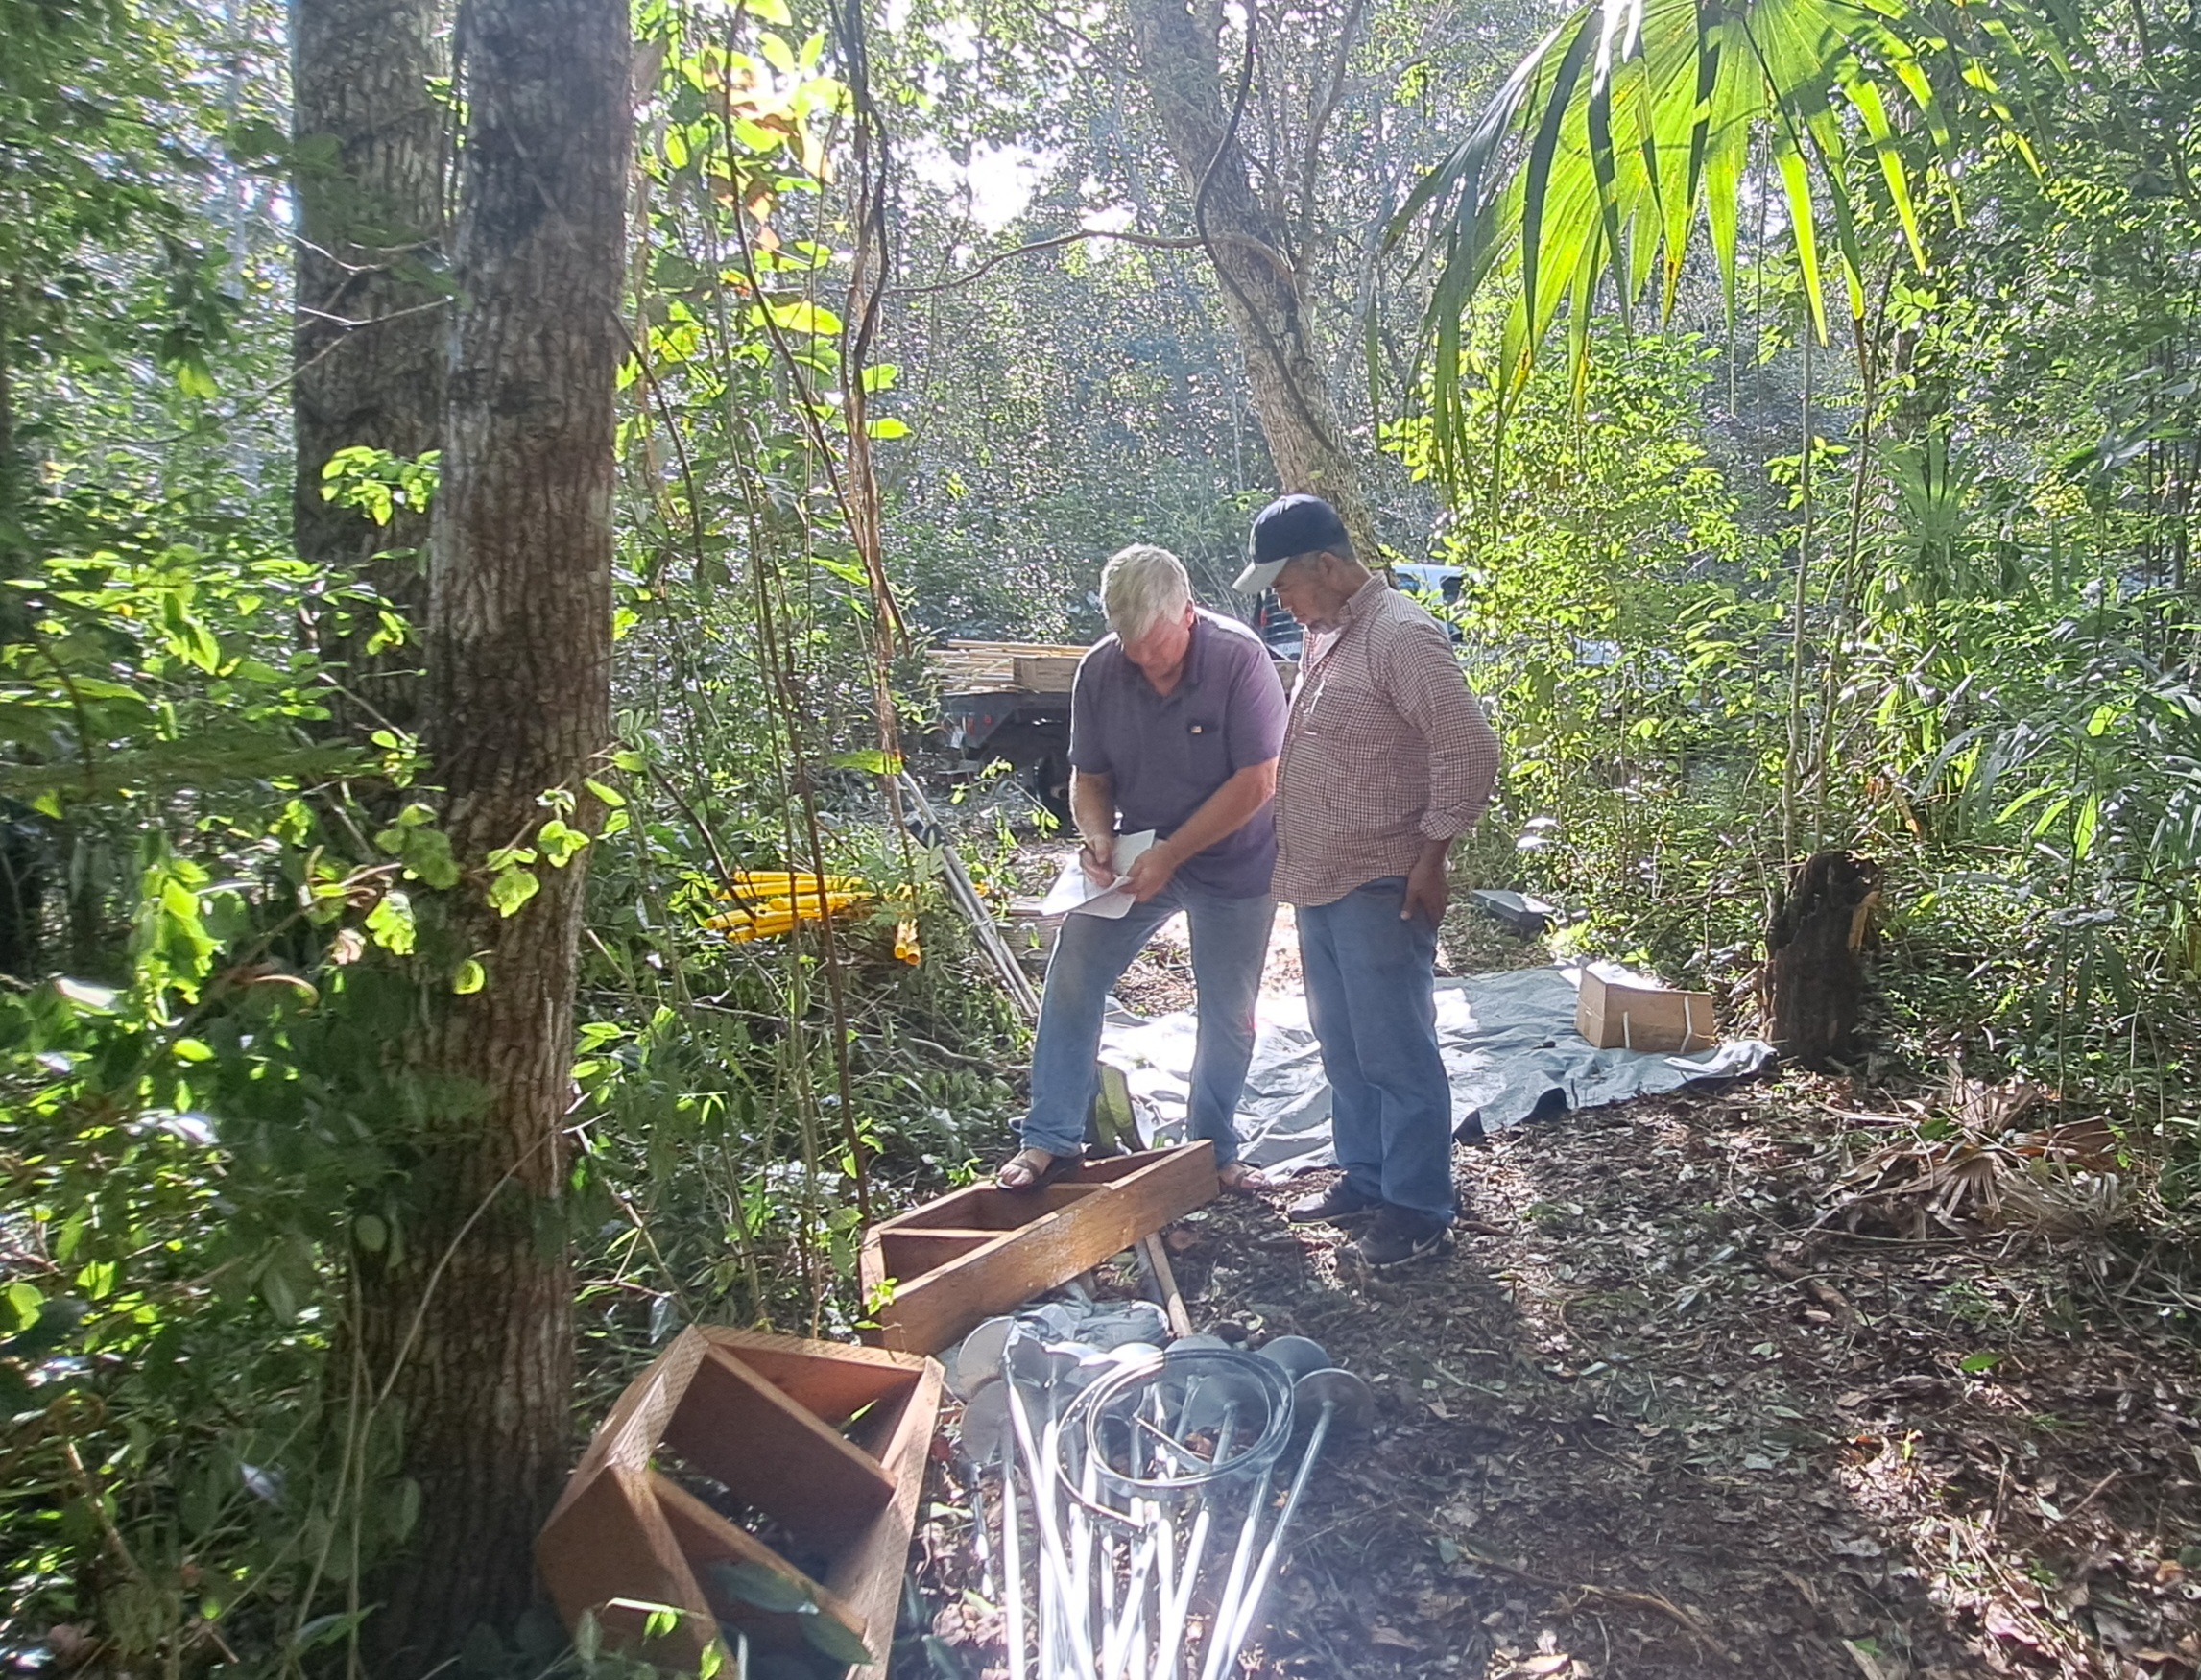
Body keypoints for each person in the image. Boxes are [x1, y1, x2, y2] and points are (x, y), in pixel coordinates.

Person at [1233, 494, 1501, 1266]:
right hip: (1318, 876)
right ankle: (1367, 1175)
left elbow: (1467, 749)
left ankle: (1418, 1205)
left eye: (1285, 583)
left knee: (1394, 1052)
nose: (1279, 600)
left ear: (1325, 564)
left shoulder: (1401, 636)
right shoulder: (1327, 635)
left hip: (1380, 879)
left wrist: (1432, 854)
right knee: (1342, 1046)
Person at [998, 544, 1287, 1196]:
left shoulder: (1239, 657)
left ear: (1187, 613)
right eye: (1133, 649)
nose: (1147, 664)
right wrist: (1098, 836)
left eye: (1157, 647)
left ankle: (1211, 1149)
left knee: (1227, 1008)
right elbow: (1089, 776)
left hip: (1237, 861)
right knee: (1074, 971)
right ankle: (1049, 1138)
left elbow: (1258, 781)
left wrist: (1173, 854)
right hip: (1137, 856)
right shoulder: (1101, 669)